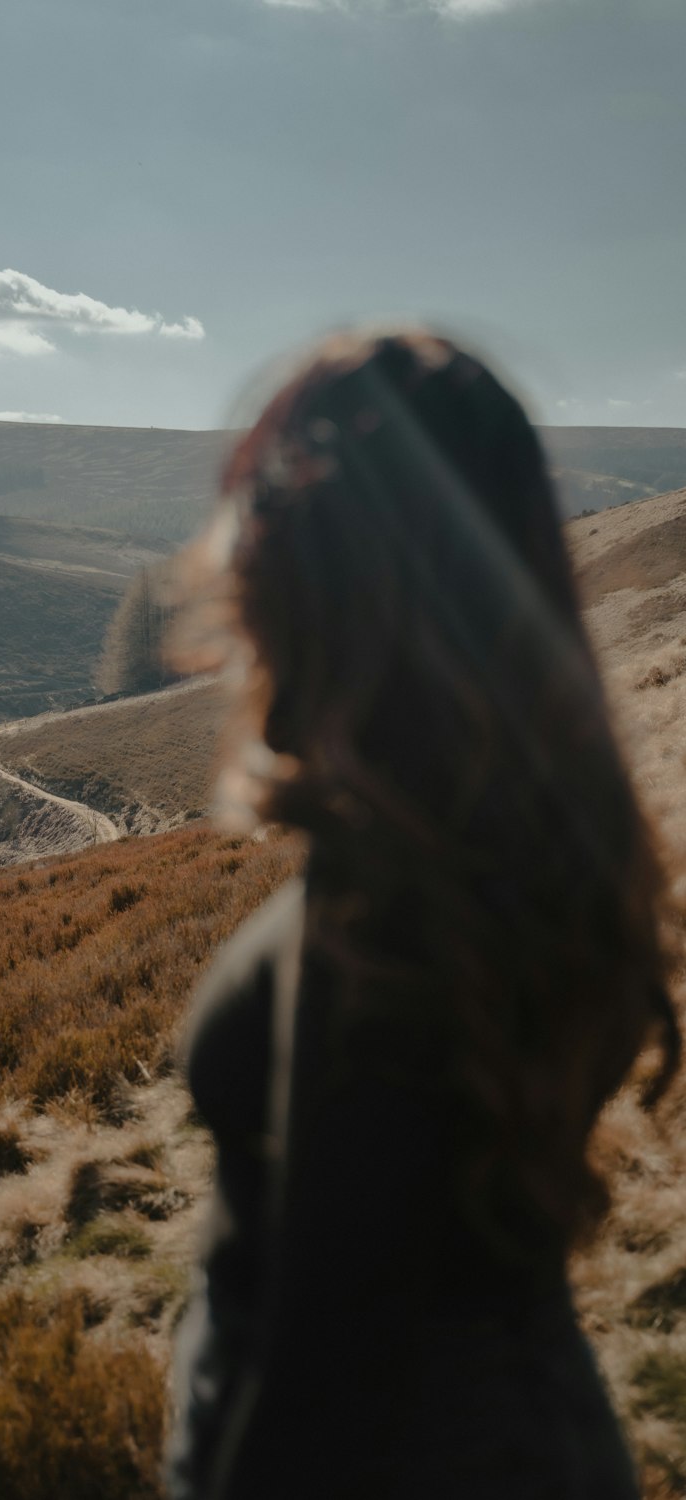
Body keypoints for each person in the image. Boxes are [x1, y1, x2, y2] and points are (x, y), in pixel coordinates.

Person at [165, 331, 680, 1500]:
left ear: (337, 588)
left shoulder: (392, 908)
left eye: (264, 542)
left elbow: (326, 1372)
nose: (233, 576)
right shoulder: (518, 843)